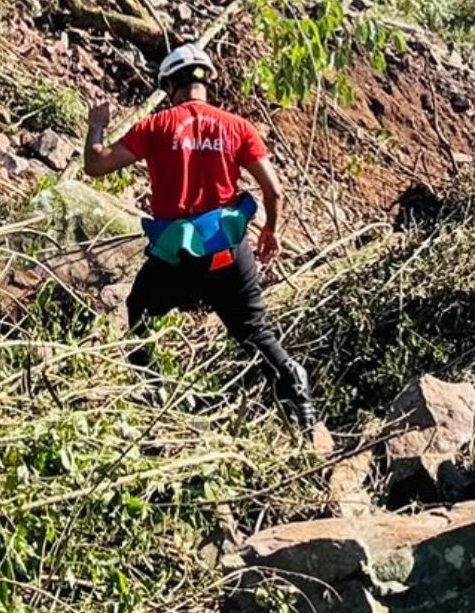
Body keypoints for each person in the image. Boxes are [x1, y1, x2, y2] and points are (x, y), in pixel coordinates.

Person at [85, 42, 314, 427]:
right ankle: (299, 402)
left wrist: (96, 126)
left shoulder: (157, 126)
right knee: (255, 331)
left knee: (140, 309)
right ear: (205, 82)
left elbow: (97, 165)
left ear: (171, 86)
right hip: (228, 250)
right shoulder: (239, 128)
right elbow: (274, 190)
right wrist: (270, 231)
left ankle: (155, 399)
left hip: (178, 256)